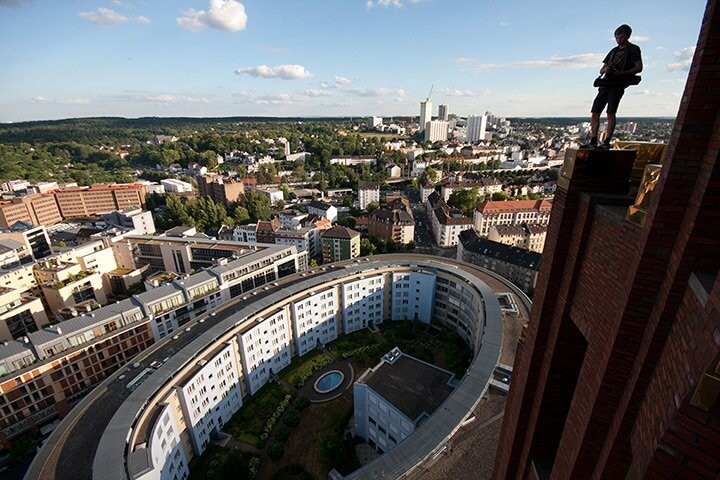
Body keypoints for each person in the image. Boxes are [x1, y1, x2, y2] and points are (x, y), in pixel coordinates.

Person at [585, 24, 643, 149]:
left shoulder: (633, 49)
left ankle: (606, 142)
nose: (618, 40)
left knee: (610, 112)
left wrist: (621, 73)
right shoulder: (614, 51)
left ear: (627, 36)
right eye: (617, 37)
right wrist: (606, 70)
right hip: (606, 84)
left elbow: (639, 67)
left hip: (618, 85)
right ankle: (593, 140)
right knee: (595, 112)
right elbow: (602, 69)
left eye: (621, 37)